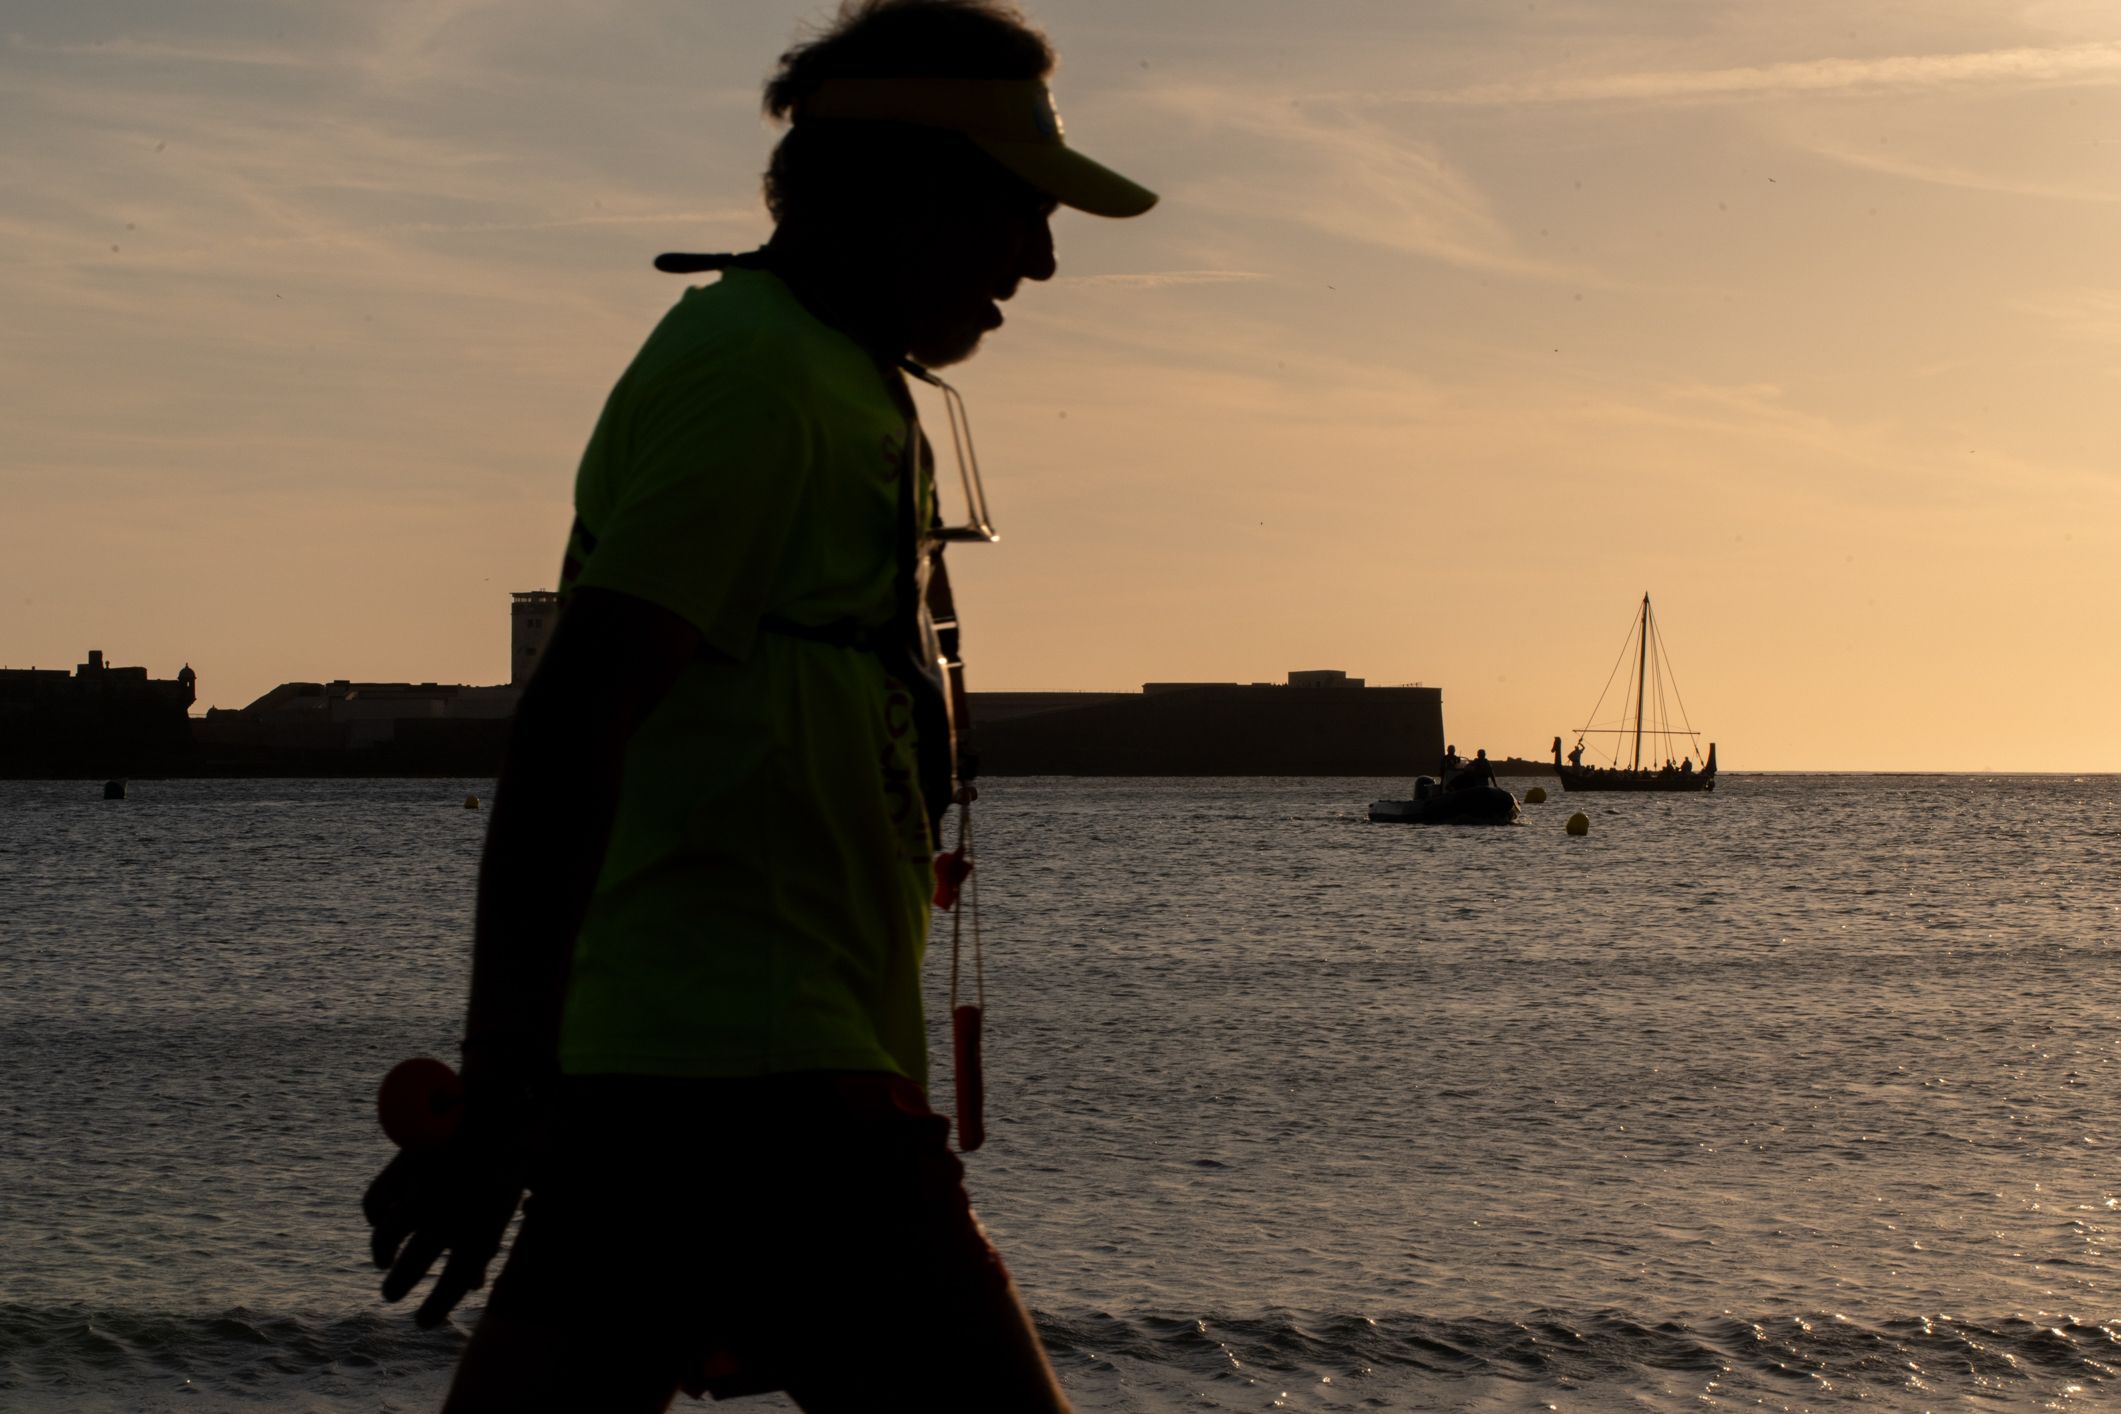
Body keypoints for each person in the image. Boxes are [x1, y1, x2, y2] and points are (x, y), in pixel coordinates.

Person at [360, 3, 1154, 1409]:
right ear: (907, 196)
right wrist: (498, 1087)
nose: (1036, 261)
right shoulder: (754, 378)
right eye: (1017, 212)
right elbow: (572, 722)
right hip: (765, 1094)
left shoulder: (836, 379)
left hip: (698, 1087)